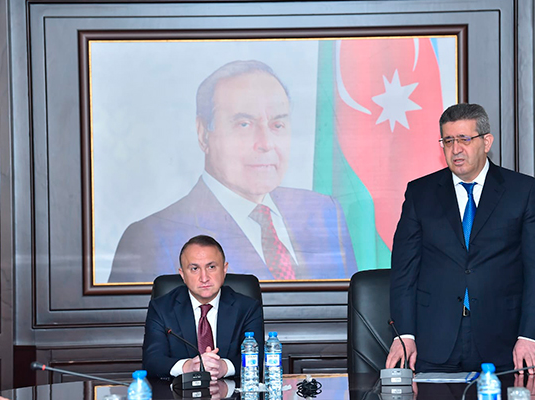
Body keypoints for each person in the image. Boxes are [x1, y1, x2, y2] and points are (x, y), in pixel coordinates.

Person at [109, 60, 357, 283]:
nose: (266, 143)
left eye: (277, 124)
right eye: (244, 124)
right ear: (203, 134)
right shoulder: (152, 239)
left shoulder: (324, 213)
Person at [385, 103, 535, 373]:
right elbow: (404, 270)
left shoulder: (523, 191)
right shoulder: (420, 193)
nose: (455, 149)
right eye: (448, 140)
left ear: (486, 142)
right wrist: (404, 334)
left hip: (505, 340)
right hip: (433, 339)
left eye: (464, 139)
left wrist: (529, 335)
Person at [142, 235, 264, 379]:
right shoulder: (161, 308)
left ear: (224, 269)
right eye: (194, 269)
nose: (204, 278)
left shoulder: (247, 307)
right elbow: (152, 361)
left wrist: (224, 367)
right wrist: (188, 366)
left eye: (211, 267)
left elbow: (257, 357)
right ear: (182, 274)